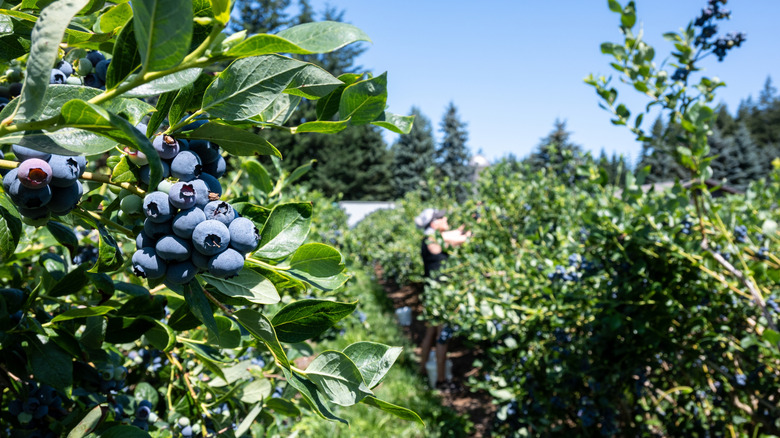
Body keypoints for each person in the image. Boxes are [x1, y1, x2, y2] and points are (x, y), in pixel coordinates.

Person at [414, 208, 470, 391]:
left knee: (430, 332)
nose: (446, 218)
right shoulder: (434, 240)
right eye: (441, 217)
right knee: (442, 337)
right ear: (433, 223)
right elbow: (462, 238)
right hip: (440, 295)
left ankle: (422, 371)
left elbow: (458, 232)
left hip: (432, 293)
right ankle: (441, 381)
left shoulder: (433, 238)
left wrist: (474, 217)